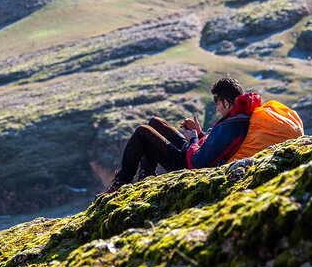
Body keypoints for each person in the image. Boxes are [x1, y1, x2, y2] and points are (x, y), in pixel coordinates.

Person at [102, 76, 261, 194]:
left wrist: (192, 138)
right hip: (195, 154)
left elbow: (199, 164)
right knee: (156, 122)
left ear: (226, 103)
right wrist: (199, 134)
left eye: (218, 104)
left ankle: (121, 183)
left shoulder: (229, 127)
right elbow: (216, 147)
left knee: (143, 132)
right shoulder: (239, 119)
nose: (218, 109)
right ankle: (146, 175)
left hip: (189, 165)